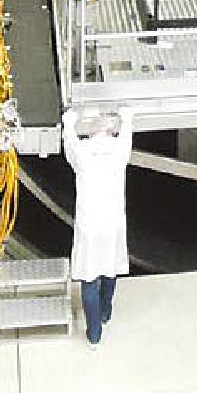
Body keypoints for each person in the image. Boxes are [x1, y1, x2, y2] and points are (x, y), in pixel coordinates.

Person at [61, 105, 135, 344]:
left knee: (89, 277)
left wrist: (69, 120)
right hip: (112, 222)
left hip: (89, 225)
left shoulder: (82, 153)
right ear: (110, 130)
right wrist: (126, 117)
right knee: (110, 268)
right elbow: (128, 131)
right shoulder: (118, 151)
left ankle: (94, 334)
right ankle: (105, 311)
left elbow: (68, 143)